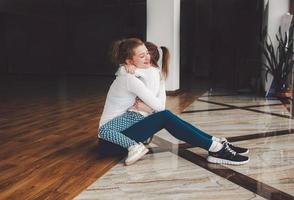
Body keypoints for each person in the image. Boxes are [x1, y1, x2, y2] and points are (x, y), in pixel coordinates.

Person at [98, 38, 249, 166]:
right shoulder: (129, 79)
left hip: (124, 129)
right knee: (164, 116)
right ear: (129, 61)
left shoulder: (137, 74)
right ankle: (215, 147)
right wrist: (150, 108)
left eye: (147, 54)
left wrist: (148, 107)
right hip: (111, 141)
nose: (148, 58)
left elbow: (157, 100)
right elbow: (158, 106)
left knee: (165, 115)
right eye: (142, 56)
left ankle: (215, 143)